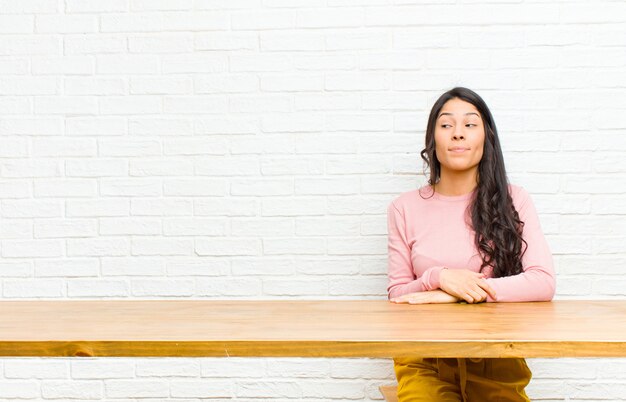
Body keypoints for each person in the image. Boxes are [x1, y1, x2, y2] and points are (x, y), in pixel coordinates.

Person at [386, 86, 556, 401]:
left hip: (497, 355)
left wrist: (459, 296)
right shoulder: (403, 207)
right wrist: (438, 277)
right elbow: (397, 295)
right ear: (432, 139)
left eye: (470, 124)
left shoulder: (514, 199)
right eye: (447, 125)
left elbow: (542, 282)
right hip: (424, 357)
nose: (458, 134)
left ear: (486, 138)